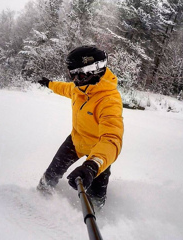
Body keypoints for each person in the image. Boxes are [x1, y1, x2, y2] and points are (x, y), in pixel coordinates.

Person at [37, 45, 124, 208]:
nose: (75, 80)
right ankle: (40, 198)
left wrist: (93, 165)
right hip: (75, 142)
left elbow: (112, 139)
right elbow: (64, 88)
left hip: (98, 153)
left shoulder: (109, 100)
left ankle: (98, 218)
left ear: (95, 71)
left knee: (95, 201)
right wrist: (49, 84)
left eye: (80, 74)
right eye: (72, 74)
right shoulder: (79, 88)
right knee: (49, 176)